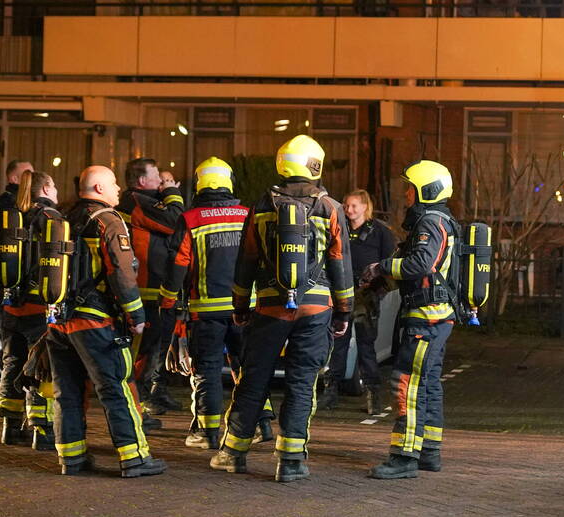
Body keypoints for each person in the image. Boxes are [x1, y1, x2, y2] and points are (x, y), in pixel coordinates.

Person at [209, 135, 353, 482]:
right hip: (316, 308)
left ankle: (232, 452)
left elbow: (245, 262)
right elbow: (340, 264)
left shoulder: (261, 207)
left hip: (271, 307)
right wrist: (344, 311)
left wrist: (240, 305)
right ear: (315, 164)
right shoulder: (329, 207)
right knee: (303, 382)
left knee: (254, 379)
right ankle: (291, 461)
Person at [44, 165, 165, 478]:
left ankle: (71, 459)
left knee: (67, 391)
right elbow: (121, 273)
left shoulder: (63, 217)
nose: (118, 190)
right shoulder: (108, 221)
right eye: (112, 184)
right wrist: (136, 316)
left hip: (59, 320)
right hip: (94, 321)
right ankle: (134, 458)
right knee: (116, 387)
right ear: (98, 188)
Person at [160, 157, 273, 449]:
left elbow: (178, 265)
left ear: (199, 184)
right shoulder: (247, 214)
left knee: (207, 369)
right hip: (245, 309)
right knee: (248, 367)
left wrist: (168, 302)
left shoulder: (190, 219)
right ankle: (260, 424)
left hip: (205, 311)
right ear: (228, 182)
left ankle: (206, 432)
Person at [363, 161, 457, 479]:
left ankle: (404, 456)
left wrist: (382, 268)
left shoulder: (430, 222)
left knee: (407, 384)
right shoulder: (439, 220)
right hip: (436, 318)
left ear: (426, 192)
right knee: (428, 384)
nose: (406, 194)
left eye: (411, 188)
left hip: (426, 320)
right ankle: (429, 451)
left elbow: (418, 265)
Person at [0, 170, 61, 449]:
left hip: (12, 307)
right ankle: (41, 431)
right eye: (54, 186)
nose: (56, 191)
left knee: (12, 363)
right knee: (39, 369)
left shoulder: (14, 217)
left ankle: (10, 428)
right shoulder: (52, 220)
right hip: (38, 308)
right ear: (44, 188)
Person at [116, 158, 185, 419]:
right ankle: (138, 404)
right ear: (143, 181)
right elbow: (176, 221)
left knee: (154, 347)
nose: (162, 182)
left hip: (154, 288)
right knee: (143, 350)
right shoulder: (138, 201)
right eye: (157, 177)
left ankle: (150, 394)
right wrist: (172, 192)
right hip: (144, 290)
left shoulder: (143, 201)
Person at [318, 189, 396, 414]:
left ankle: (373, 396)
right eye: (346, 205)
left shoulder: (380, 232)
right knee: (337, 344)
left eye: (353, 206)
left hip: (366, 295)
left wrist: (377, 288)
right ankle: (331, 393)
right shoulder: (339, 228)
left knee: (365, 346)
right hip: (341, 292)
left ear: (365, 207)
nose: (349, 210)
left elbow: (389, 264)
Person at [0, 160, 33, 382]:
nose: (31, 176)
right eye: (27, 173)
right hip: (9, 277)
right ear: (14, 178)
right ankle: (4, 377)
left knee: (5, 330)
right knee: (6, 332)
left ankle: (4, 378)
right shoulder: (13, 206)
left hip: (2, 275)